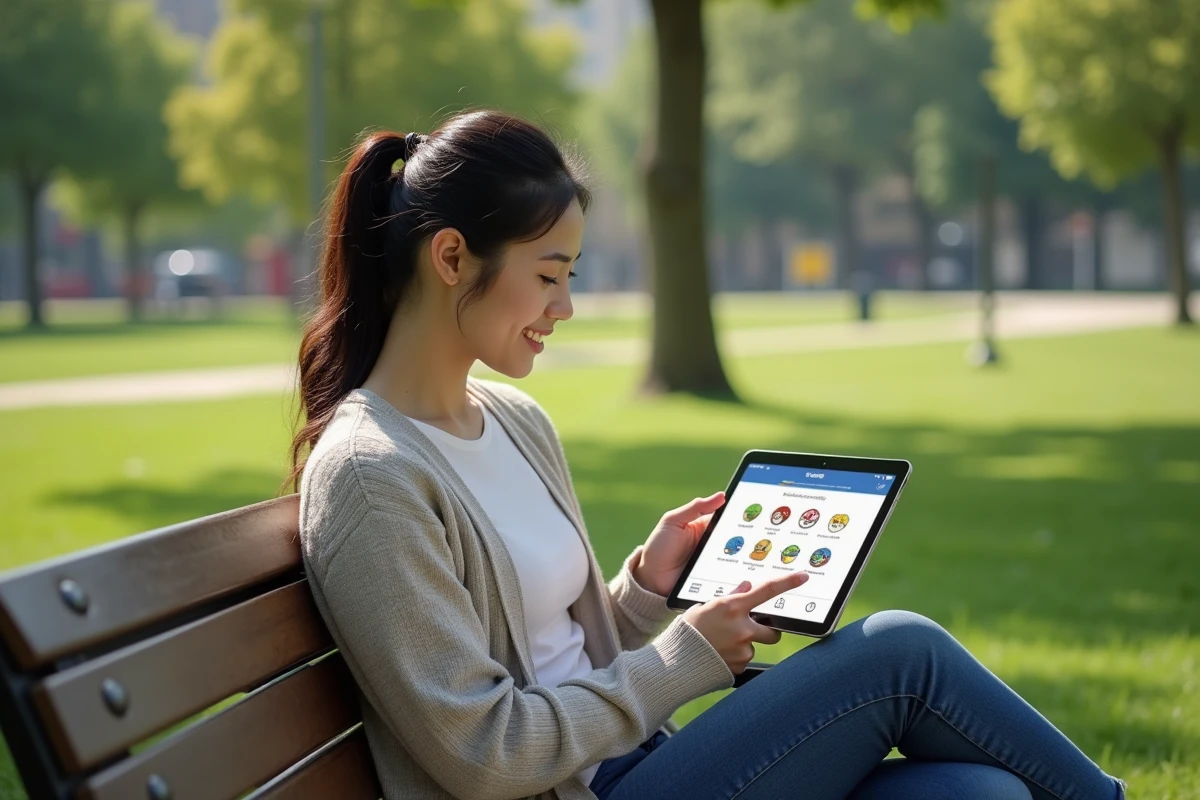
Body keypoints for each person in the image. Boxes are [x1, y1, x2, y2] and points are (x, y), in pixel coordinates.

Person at [291, 110, 1125, 800]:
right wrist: (681, 660)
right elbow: (482, 751)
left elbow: (559, 657)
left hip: (638, 766)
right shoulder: (372, 476)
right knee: (900, 650)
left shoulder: (510, 418)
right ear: (450, 257)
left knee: (983, 797)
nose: (567, 306)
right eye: (549, 276)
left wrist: (646, 593)